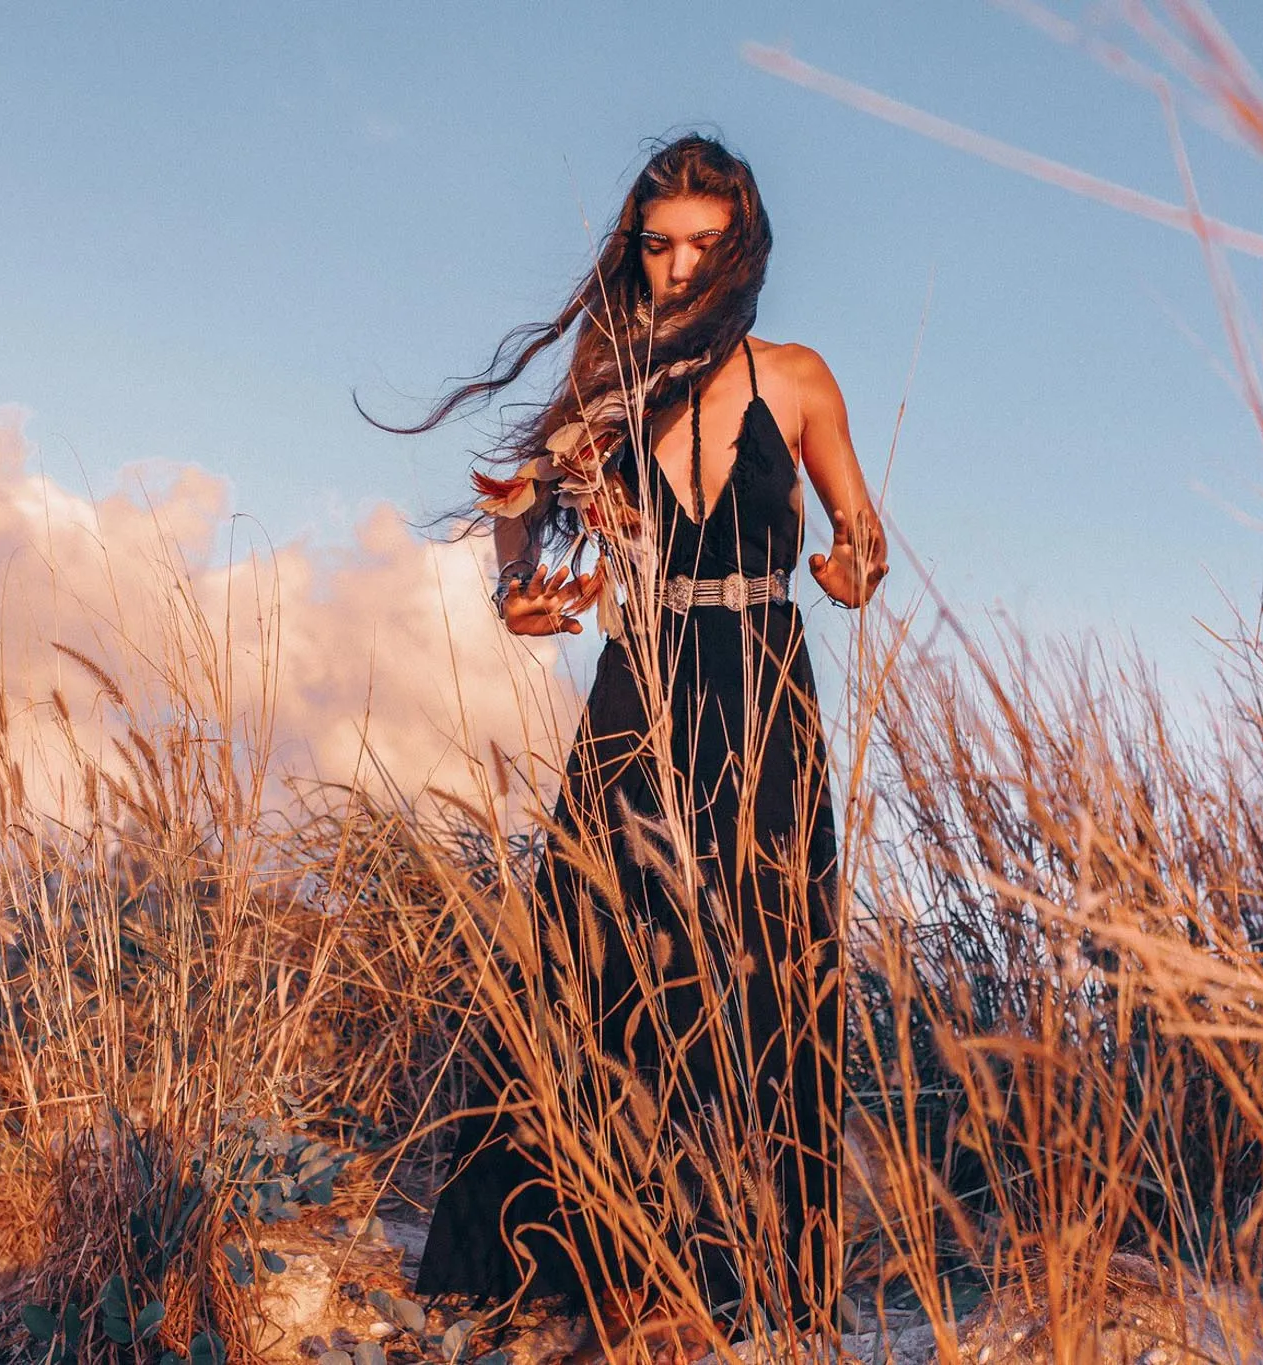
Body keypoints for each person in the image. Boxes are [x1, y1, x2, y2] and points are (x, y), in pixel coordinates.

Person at [372, 133, 887, 1359]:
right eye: (658, 246)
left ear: (742, 247)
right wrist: (519, 596)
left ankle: (767, 1271)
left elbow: (868, 540)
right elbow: (513, 513)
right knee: (591, 959)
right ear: (633, 256)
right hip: (637, 693)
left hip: (765, 689)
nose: (677, 266)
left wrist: (844, 565)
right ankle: (576, 1267)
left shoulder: (799, 379)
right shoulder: (609, 396)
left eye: (702, 243)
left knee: (771, 961)